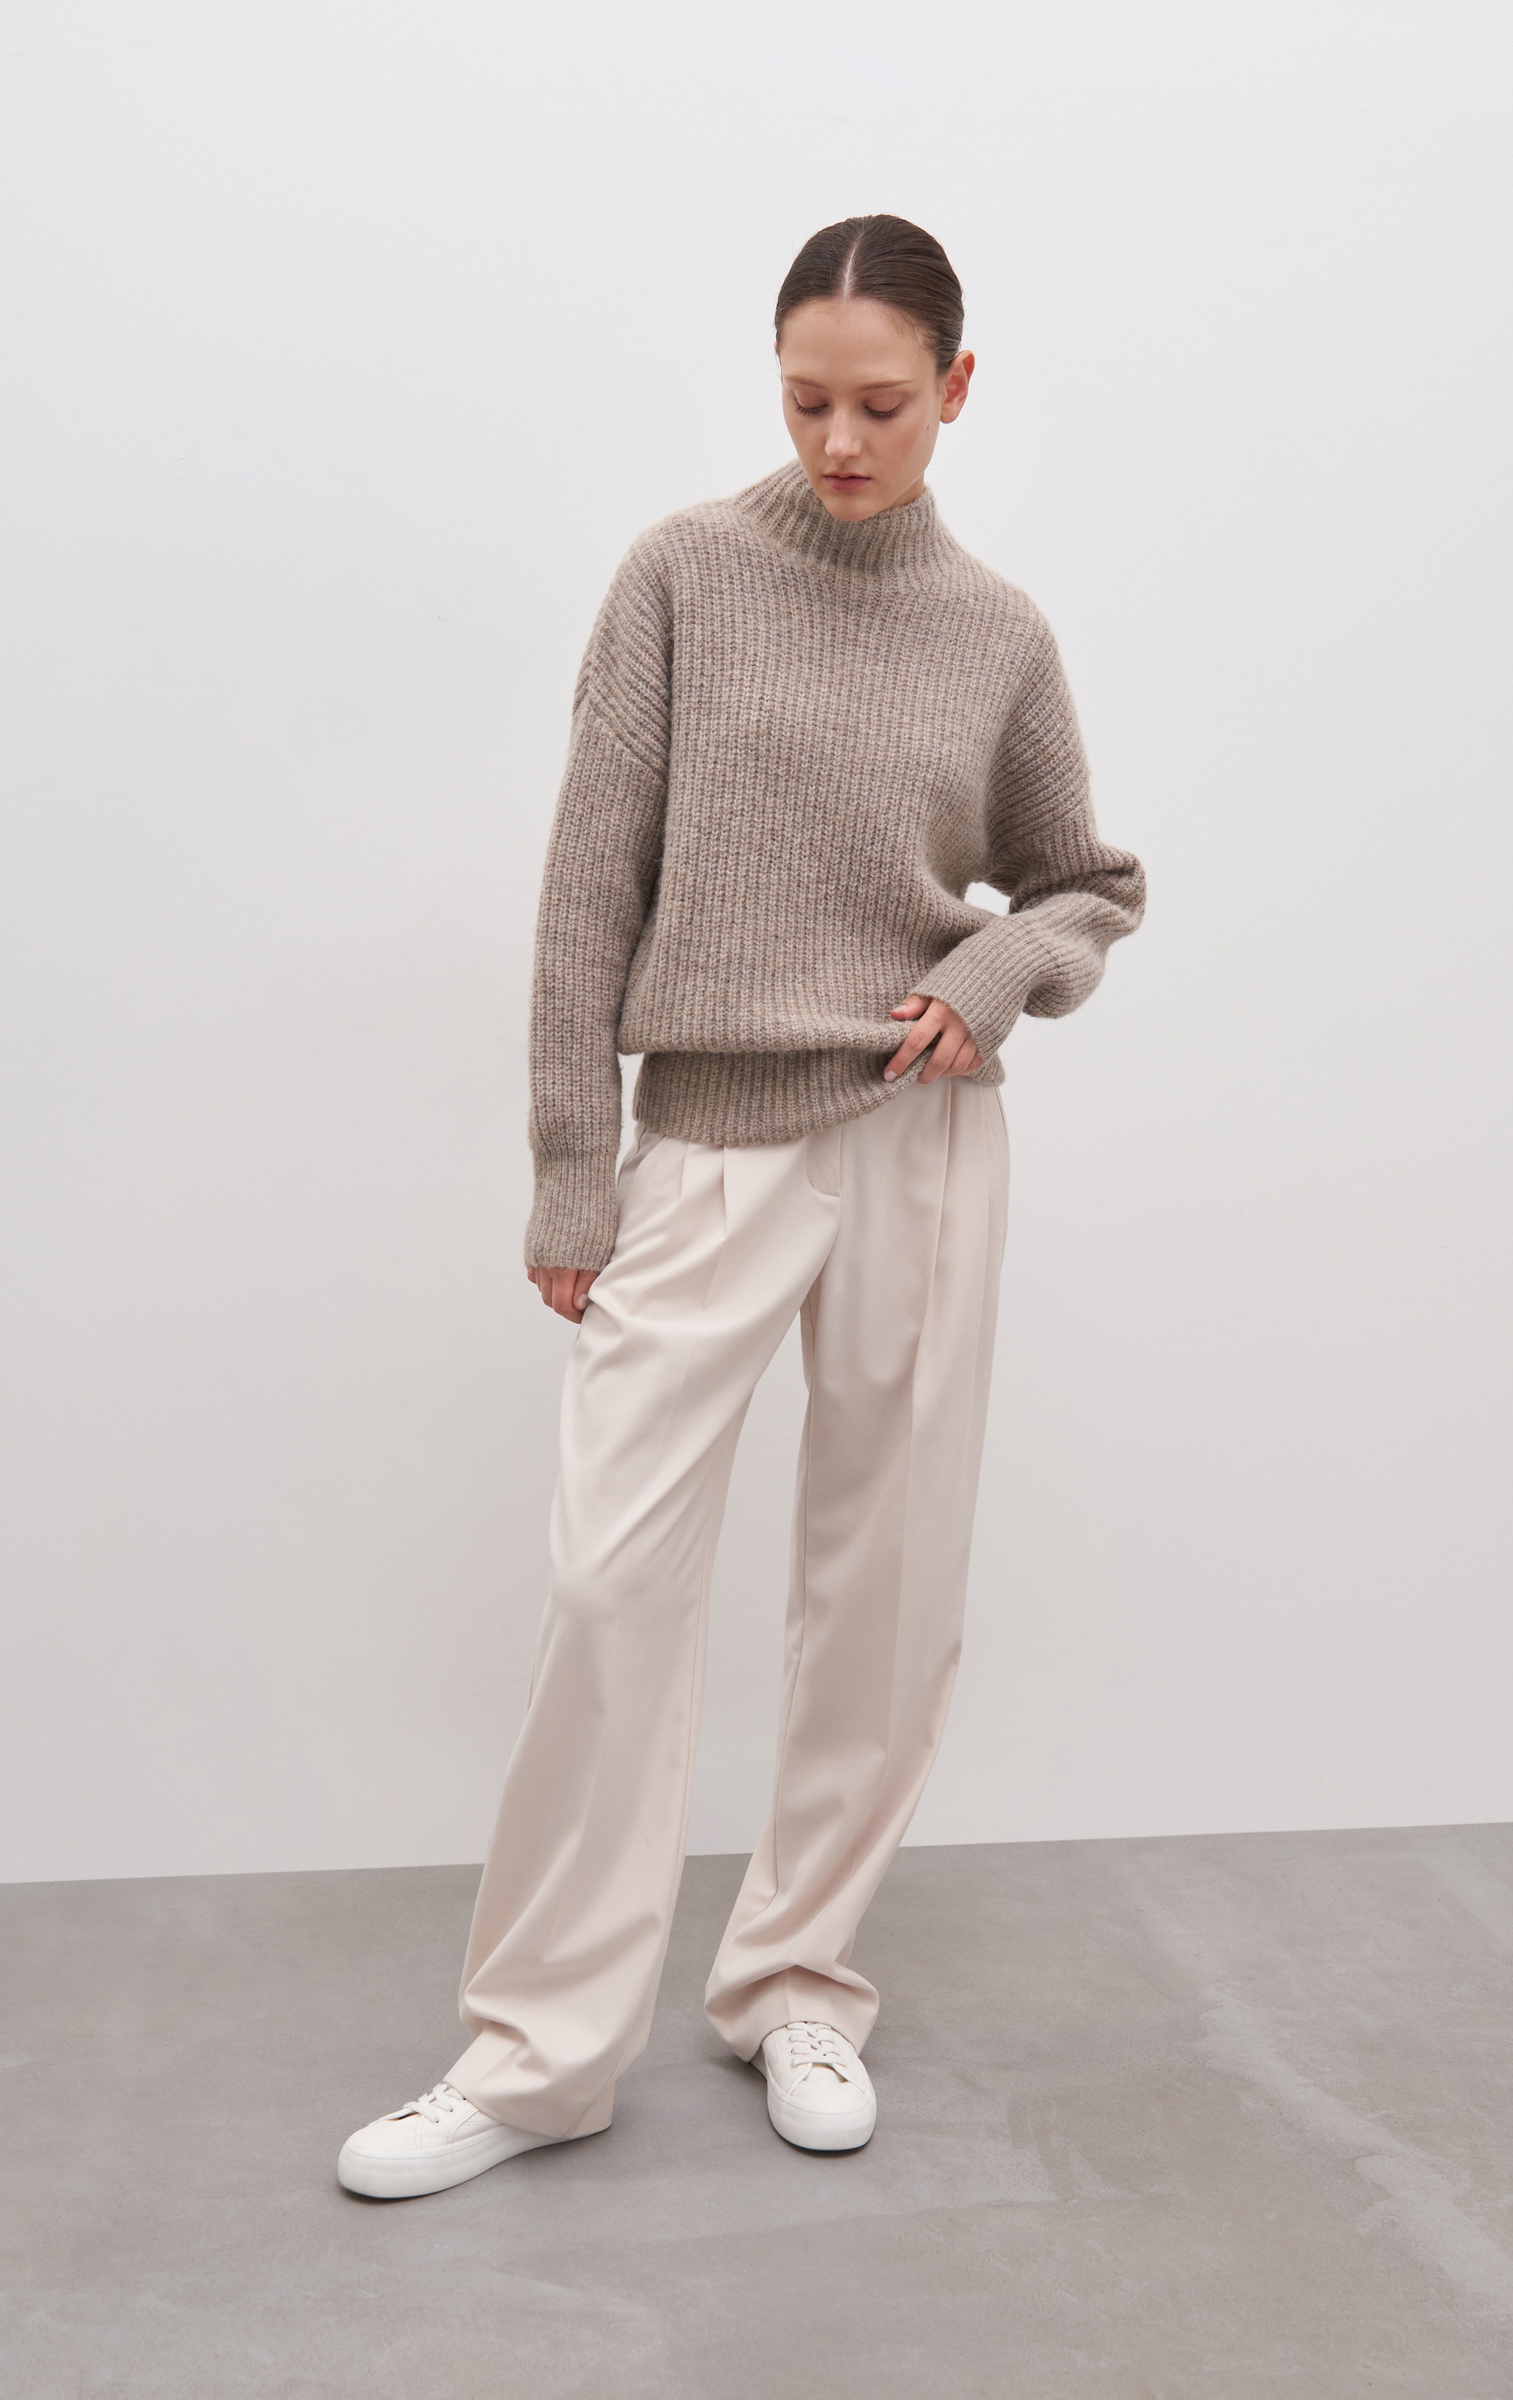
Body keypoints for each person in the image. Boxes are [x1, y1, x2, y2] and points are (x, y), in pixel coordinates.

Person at [337, 214, 1145, 2200]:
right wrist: (571, 1167)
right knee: (612, 1577)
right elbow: (583, 891)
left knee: (887, 1586)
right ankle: (535, 2054)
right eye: (805, 402)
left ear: (957, 388)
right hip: (705, 1139)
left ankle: (796, 1981)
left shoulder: (997, 632)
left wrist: (991, 975)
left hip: (919, 1135)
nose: (840, 442)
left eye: (882, 404)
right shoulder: (682, 577)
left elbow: (1085, 882)